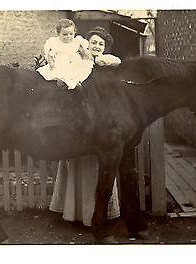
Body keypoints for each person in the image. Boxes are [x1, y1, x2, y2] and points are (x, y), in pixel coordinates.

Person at [49, 26, 122, 226]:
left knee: (100, 167)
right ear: (86, 44)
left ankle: (96, 215)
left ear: (105, 47)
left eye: (101, 44)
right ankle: (74, 213)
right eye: (93, 42)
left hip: (102, 123)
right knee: (78, 164)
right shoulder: (78, 61)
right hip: (80, 122)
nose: (96, 46)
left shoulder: (109, 65)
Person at [36, 19, 93, 90]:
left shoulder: (76, 42)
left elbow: (83, 52)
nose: (68, 37)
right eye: (65, 34)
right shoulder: (55, 43)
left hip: (74, 62)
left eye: (71, 34)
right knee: (59, 72)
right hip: (61, 62)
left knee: (80, 70)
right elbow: (50, 55)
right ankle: (62, 82)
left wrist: (87, 56)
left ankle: (77, 82)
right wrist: (52, 64)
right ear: (58, 33)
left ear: (74, 32)